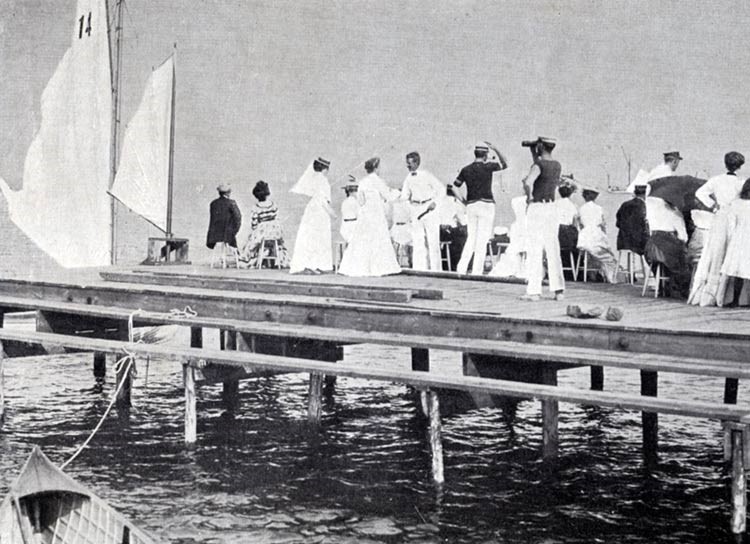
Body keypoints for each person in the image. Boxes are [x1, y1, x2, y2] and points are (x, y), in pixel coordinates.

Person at [688, 151, 745, 306]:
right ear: (740, 166)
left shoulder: (716, 180)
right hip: (733, 217)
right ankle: (729, 295)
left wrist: (713, 205)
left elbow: (700, 193)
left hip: (719, 217)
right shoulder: (740, 182)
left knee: (715, 252)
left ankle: (711, 293)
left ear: (725, 164)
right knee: (732, 252)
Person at [452, 142, 509, 275]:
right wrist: (496, 148)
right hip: (486, 204)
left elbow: (454, 187)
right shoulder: (489, 167)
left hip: (471, 205)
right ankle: (476, 271)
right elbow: (505, 163)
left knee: (471, 238)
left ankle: (461, 268)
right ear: (485, 155)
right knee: (482, 240)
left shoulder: (466, 169)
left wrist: (463, 201)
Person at [338, 157, 401, 277]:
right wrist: (398, 192)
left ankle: (362, 267)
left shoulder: (362, 182)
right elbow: (388, 196)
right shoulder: (378, 181)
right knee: (378, 239)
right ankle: (380, 268)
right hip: (376, 215)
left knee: (363, 240)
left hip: (365, 215)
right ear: (376, 168)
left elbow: (360, 201)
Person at [520, 137, 564, 301]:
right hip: (551, 207)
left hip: (537, 206)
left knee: (534, 248)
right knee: (553, 248)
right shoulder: (557, 165)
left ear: (540, 146)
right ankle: (558, 290)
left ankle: (534, 291)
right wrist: (534, 152)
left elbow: (529, 182)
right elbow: (542, 169)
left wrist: (529, 197)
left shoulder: (538, 165)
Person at [289, 157, 336, 274]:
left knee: (310, 237)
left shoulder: (314, 178)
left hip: (312, 210)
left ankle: (312, 264)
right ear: (325, 169)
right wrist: (332, 213)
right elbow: (323, 200)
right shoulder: (323, 180)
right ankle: (314, 264)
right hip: (319, 212)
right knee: (317, 237)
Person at [400, 151, 444, 271]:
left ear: (416, 163)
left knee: (433, 241)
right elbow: (404, 196)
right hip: (415, 209)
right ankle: (420, 269)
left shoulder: (427, 175)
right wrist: (410, 208)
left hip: (429, 209)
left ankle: (436, 270)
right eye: (407, 163)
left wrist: (435, 203)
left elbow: (441, 189)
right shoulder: (408, 178)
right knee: (418, 241)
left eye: (409, 163)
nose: (407, 166)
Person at [645, 195, 689, 297]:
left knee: (662, 263)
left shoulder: (654, 212)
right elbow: (683, 236)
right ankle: (680, 288)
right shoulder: (675, 213)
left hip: (651, 247)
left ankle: (662, 285)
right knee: (683, 261)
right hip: (668, 246)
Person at [715, 178, 750, 307]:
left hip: (739, 237)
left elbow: (731, 224)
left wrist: (731, 239)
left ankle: (735, 300)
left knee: (737, 269)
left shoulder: (736, 204)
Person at [239, 180, 290, 268]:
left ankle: (250, 259)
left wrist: (255, 229)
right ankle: (276, 260)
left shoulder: (256, 207)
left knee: (251, 242)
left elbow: (254, 222)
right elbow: (277, 217)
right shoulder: (273, 205)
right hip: (275, 231)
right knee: (278, 244)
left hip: (262, 231)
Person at [577, 188, 618, 283]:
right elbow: (602, 224)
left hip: (584, 238)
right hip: (596, 236)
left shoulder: (581, 208)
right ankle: (610, 277)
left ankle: (592, 274)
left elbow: (580, 224)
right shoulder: (599, 208)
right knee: (608, 256)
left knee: (589, 254)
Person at [489, 195, 528, 279]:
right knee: (513, 253)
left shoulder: (521, 224)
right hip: (518, 246)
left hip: (522, 247)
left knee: (514, 252)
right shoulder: (517, 224)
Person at [438, 184, 467, 271]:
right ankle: (455, 264)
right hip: (449, 231)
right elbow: (462, 220)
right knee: (462, 237)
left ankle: (444, 263)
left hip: (438, 231)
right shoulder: (454, 203)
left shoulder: (438, 202)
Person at [616, 184, 649, 256]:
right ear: (645, 194)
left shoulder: (625, 204)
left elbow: (618, 223)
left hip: (622, 242)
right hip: (638, 244)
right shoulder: (644, 206)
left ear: (635, 193)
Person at [206, 183, 242, 250]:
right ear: (228, 192)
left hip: (214, 238)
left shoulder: (213, 203)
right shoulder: (231, 203)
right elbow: (238, 218)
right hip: (228, 237)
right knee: (232, 250)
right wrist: (233, 232)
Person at [390, 199, 412, 267]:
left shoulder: (408, 203)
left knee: (411, 244)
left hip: (407, 226)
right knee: (394, 244)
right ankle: (395, 264)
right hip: (396, 226)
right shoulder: (393, 202)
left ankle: (411, 262)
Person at [340, 175, 359, 244]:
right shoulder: (355, 202)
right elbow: (359, 215)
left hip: (344, 229)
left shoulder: (344, 202)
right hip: (352, 228)